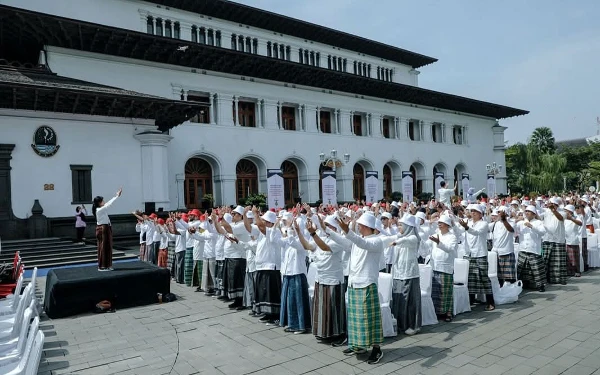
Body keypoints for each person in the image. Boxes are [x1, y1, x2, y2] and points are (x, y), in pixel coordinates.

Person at [331, 212, 384, 365]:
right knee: (355, 319)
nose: (358, 226)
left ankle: (376, 348)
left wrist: (348, 231)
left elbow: (363, 244)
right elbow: (344, 241)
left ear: (367, 226)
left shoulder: (376, 241)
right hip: (354, 283)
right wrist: (324, 229)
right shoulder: (359, 240)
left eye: (360, 225)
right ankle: (357, 346)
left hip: (367, 284)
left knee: (370, 319)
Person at [389, 215, 422, 335]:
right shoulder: (399, 236)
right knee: (399, 299)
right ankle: (400, 324)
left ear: (408, 227)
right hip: (398, 272)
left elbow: (406, 241)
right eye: (398, 225)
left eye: (401, 225)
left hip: (409, 273)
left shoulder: (413, 237)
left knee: (410, 300)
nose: (399, 227)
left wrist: (396, 241)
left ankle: (413, 325)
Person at [427, 214, 457, 322]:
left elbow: (449, 249)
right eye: (438, 223)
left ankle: (448, 312)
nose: (439, 224)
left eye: (441, 223)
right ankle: (438, 312)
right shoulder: (436, 234)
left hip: (446, 267)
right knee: (436, 291)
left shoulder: (452, 236)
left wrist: (438, 243)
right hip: (435, 266)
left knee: (446, 291)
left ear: (447, 225)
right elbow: (428, 246)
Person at [92, 187, 122, 271]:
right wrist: (116, 196)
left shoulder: (101, 209)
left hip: (106, 227)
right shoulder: (99, 210)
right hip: (102, 229)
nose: (104, 202)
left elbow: (107, 204)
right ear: (99, 202)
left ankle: (107, 265)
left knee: (108, 247)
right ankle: (102, 266)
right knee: (103, 247)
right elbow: (109, 204)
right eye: (102, 200)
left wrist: (116, 196)